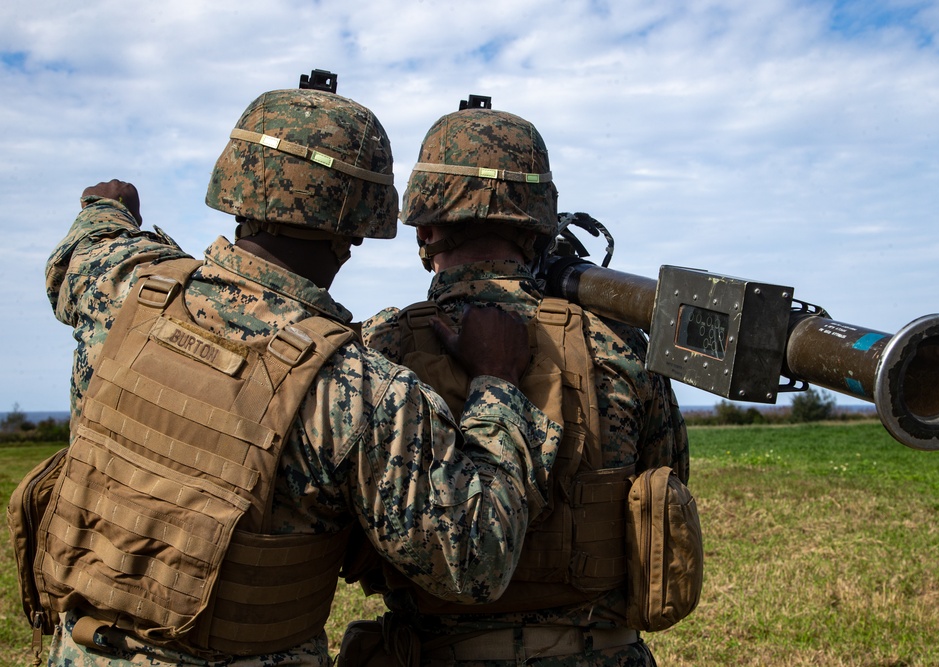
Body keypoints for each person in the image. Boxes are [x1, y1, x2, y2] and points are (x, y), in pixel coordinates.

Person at [38, 77, 560, 666]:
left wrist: (105, 207)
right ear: (359, 228)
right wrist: (497, 383)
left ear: (233, 185)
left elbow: (84, 247)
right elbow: (476, 562)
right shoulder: (363, 390)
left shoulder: (121, 283)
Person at [361, 99, 690, 666]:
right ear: (538, 228)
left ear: (428, 229)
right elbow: (669, 485)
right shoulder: (619, 347)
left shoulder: (378, 349)